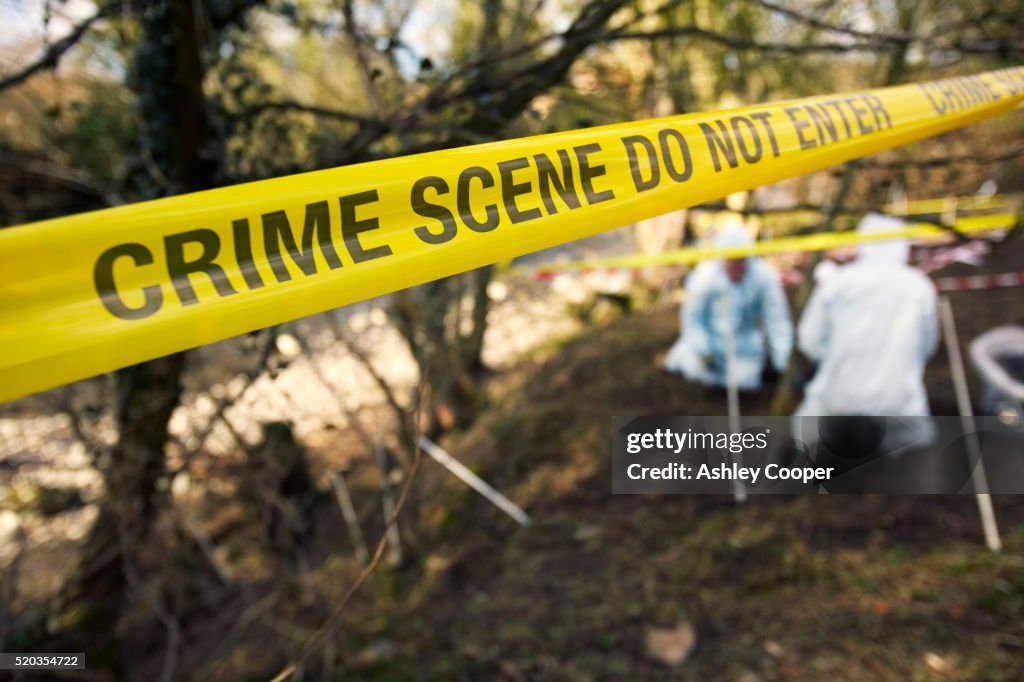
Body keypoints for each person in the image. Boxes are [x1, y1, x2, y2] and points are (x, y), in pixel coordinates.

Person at [794, 212, 939, 455]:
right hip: (897, 400)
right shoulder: (920, 287)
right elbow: (928, 345)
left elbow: (809, 339)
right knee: (913, 442)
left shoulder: (839, 282)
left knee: (804, 430)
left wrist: (828, 359)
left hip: (839, 395)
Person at [665, 218, 793, 391]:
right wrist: (705, 351)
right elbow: (692, 320)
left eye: (741, 261)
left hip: (744, 346)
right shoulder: (704, 278)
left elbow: (777, 320)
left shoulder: (764, 278)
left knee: (744, 381)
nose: (737, 266)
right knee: (689, 364)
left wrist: (784, 362)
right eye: (731, 261)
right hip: (710, 343)